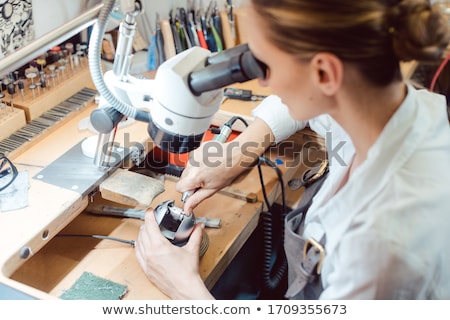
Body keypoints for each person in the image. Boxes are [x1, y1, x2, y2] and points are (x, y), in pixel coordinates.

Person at [135, 0, 450, 299]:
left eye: (266, 64)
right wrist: (240, 151)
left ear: (324, 73)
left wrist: (184, 290)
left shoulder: (381, 247)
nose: (262, 84)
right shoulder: (386, 104)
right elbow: (303, 104)